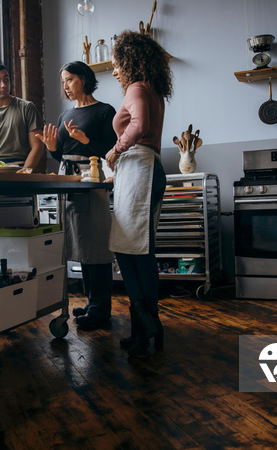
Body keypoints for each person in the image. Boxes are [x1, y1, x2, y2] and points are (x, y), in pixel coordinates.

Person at [104, 30, 173, 357]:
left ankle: (147, 322)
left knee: (136, 248)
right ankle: (144, 324)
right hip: (144, 170)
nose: (115, 71)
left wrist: (116, 149)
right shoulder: (152, 89)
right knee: (131, 247)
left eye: (117, 64)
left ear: (130, 62)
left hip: (140, 169)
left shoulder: (137, 88)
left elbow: (140, 124)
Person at [36, 61, 117, 330]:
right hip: (67, 178)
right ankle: (92, 303)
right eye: (63, 82)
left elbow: (109, 150)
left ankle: (101, 309)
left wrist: (85, 142)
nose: (66, 86)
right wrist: (51, 148)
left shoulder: (105, 111)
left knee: (96, 242)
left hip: (90, 177)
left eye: (69, 80)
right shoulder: (64, 115)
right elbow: (61, 152)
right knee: (80, 243)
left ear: (83, 79)